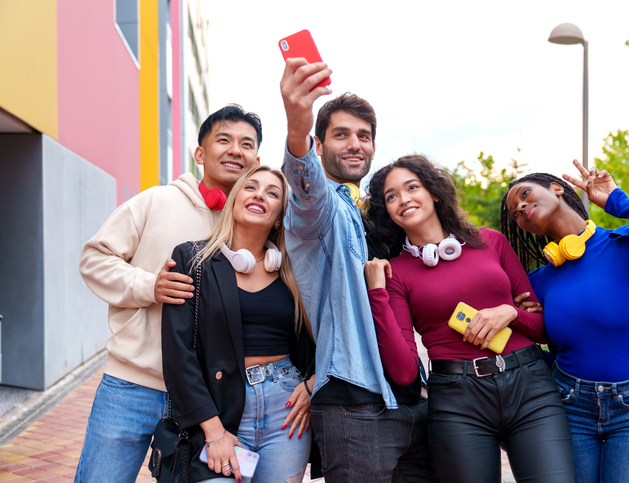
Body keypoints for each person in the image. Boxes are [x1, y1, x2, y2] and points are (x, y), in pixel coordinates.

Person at [76, 105, 262, 483]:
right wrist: (149, 286)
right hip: (131, 384)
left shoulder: (255, 224)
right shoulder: (156, 201)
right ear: (200, 153)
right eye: (223, 140)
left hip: (204, 399)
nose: (235, 150)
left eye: (246, 144)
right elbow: (94, 259)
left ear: (256, 160)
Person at [364, 154, 576, 483]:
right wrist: (377, 293)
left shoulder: (492, 242)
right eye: (392, 196)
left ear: (433, 192)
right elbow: (405, 372)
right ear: (386, 210)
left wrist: (510, 312)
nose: (404, 199)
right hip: (457, 402)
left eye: (412, 187)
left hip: (530, 387)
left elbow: (541, 329)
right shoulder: (396, 273)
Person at [279, 58, 438, 482]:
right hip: (355, 405)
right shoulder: (318, 211)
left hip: (411, 400)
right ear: (319, 144)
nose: (355, 144)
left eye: (364, 136)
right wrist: (297, 122)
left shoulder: (368, 217)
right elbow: (304, 182)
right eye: (341, 134)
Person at [500, 160, 629, 483]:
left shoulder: (628, 244)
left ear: (557, 189)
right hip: (569, 407)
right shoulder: (537, 282)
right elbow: (521, 345)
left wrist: (616, 201)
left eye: (525, 195)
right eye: (514, 212)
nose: (520, 207)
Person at [162, 165, 315, 483]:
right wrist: (214, 431)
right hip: (220, 410)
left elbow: (324, 333)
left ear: (278, 218)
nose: (260, 194)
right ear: (233, 201)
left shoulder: (292, 272)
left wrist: (313, 382)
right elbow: (177, 353)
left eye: (273, 193)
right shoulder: (193, 259)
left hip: (285, 410)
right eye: (251, 187)